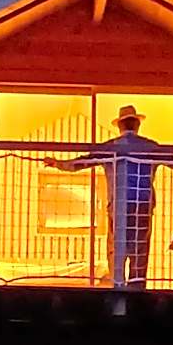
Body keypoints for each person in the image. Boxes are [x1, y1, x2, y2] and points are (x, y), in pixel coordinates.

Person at [44, 104, 160, 288]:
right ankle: (137, 292)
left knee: (116, 249)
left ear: (120, 126)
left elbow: (81, 163)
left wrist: (58, 164)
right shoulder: (151, 147)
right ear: (137, 124)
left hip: (118, 205)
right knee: (140, 250)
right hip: (142, 206)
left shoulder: (109, 148)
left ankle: (117, 287)